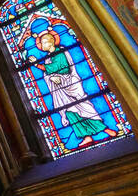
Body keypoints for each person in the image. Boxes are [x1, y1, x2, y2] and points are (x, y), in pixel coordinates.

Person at [22, 18, 114, 147]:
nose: (42, 45)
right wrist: (50, 76)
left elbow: (57, 68)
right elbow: (50, 72)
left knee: (84, 108)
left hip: (71, 84)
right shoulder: (48, 58)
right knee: (70, 113)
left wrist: (36, 64)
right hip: (60, 90)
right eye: (41, 43)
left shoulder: (60, 52)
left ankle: (106, 129)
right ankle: (86, 137)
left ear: (50, 41)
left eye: (44, 42)